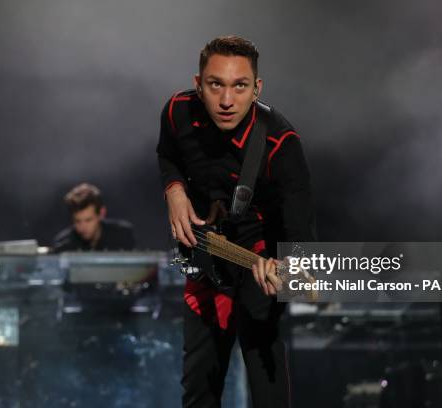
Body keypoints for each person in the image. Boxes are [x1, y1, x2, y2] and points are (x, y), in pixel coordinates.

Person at [156, 35, 316, 407]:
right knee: (197, 386)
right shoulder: (177, 111)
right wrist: (175, 191)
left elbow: (301, 238)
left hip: (260, 259)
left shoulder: (281, 142)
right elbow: (167, 154)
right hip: (205, 255)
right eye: (216, 85)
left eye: (240, 86)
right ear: (198, 85)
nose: (227, 101)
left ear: (257, 88)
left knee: (265, 376)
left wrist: (289, 270)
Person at [52, 183, 135, 252]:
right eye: (77, 221)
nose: (83, 227)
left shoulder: (122, 235)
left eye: (88, 220)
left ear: (102, 213)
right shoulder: (64, 242)